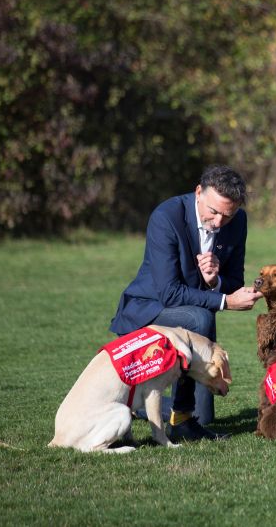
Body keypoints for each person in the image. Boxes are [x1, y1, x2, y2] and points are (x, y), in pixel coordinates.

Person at [109, 164, 263, 441]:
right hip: (146, 308)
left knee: (205, 418)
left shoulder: (237, 222)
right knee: (202, 317)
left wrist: (214, 281)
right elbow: (169, 293)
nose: (218, 223)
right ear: (198, 193)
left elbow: (233, 282)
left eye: (227, 216)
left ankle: (148, 405)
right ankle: (180, 419)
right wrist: (225, 301)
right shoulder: (166, 216)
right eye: (213, 212)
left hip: (189, 310)